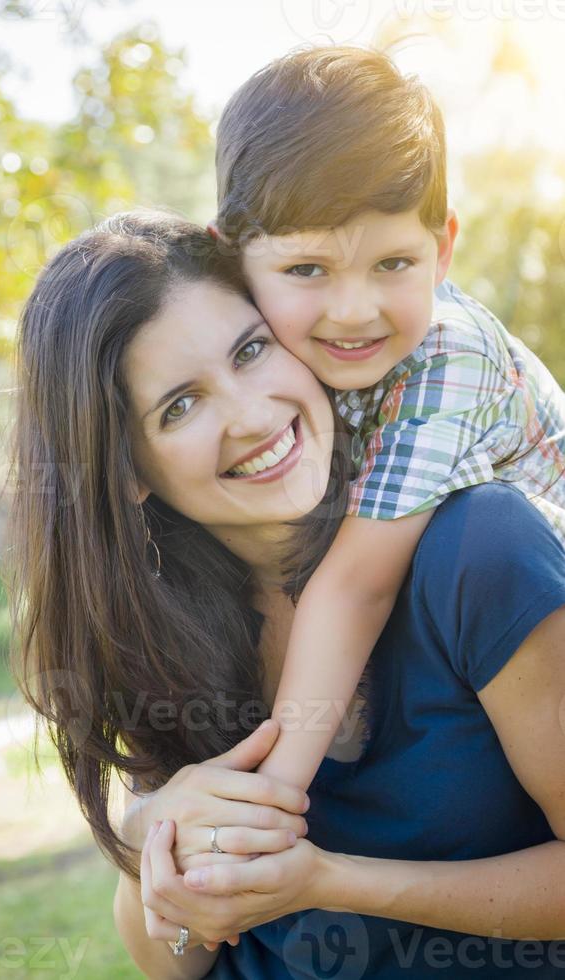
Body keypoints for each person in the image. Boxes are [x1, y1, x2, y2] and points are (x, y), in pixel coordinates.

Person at [9, 209, 565, 977]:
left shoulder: (480, 550)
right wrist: (154, 835)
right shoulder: (159, 626)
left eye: (251, 349)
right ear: (129, 472)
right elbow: (174, 964)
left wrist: (336, 882)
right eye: (180, 405)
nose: (251, 415)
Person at [202, 44, 565, 798]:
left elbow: (356, 586)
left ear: (443, 249)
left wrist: (277, 793)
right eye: (308, 270)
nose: (355, 312)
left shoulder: (449, 358)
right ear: (233, 263)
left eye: (393, 264)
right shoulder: (282, 363)